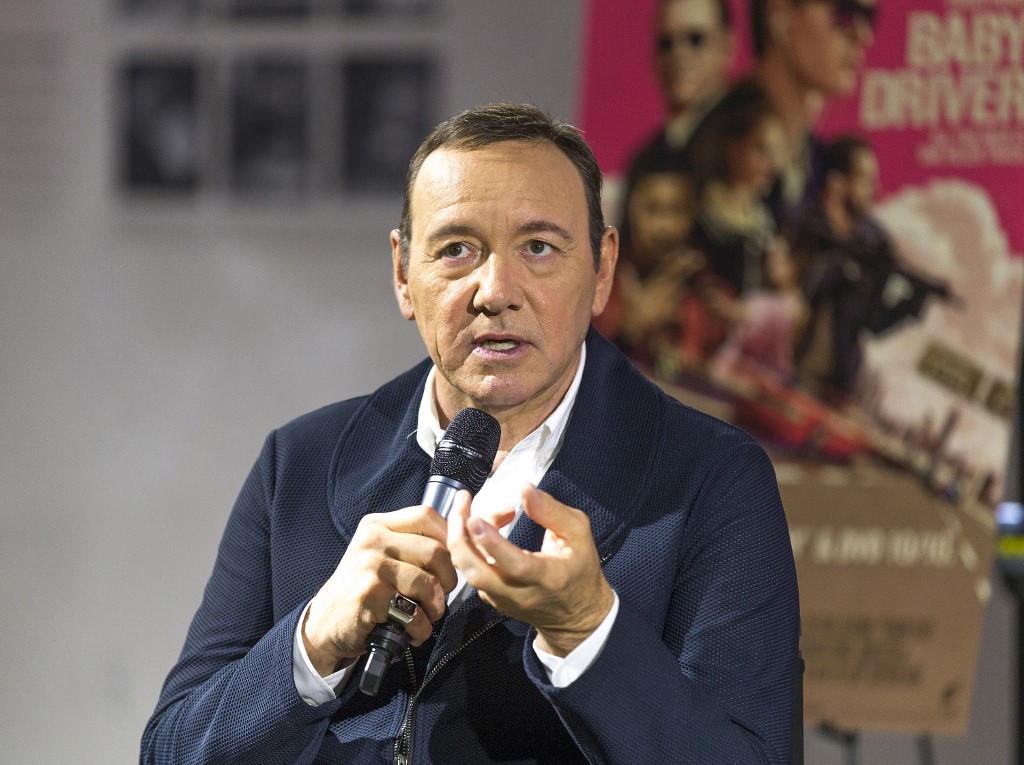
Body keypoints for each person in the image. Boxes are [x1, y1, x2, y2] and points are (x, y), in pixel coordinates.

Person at [140, 103, 799, 765]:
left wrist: (591, 633)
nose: (496, 291)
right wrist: (310, 645)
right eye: (457, 249)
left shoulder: (712, 480)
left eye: (538, 248)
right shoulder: (299, 465)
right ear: (403, 274)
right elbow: (171, 750)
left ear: (602, 271)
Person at [793, 135, 954, 402]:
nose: (874, 189)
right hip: (790, 367)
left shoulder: (874, 244)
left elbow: (873, 322)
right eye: (863, 179)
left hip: (839, 382)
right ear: (837, 183)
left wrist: (910, 304)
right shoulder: (802, 226)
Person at [626, 0, 734, 179]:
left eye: (695, 39)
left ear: (727, 47)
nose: (679, 54)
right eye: (666, 43)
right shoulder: (646, 162)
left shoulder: (748, 142)